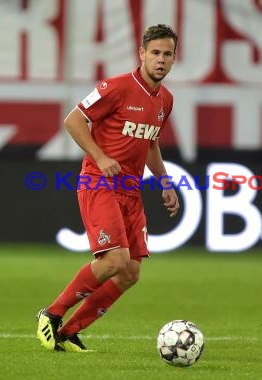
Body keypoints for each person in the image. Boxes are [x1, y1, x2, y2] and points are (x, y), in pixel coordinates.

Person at [36, 24, 180, 352]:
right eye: (155, 52)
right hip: (98, 181)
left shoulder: (165, 101)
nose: (160, 59)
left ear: (174, 59)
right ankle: (52, 313)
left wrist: (165, 182)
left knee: (130, 272)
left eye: (167, 54)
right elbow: (73, 120)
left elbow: (151, 143)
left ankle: (68, 332)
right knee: (115, 260)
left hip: (130, 189)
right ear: (142, 54)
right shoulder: (115, 87)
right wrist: (100, 157)